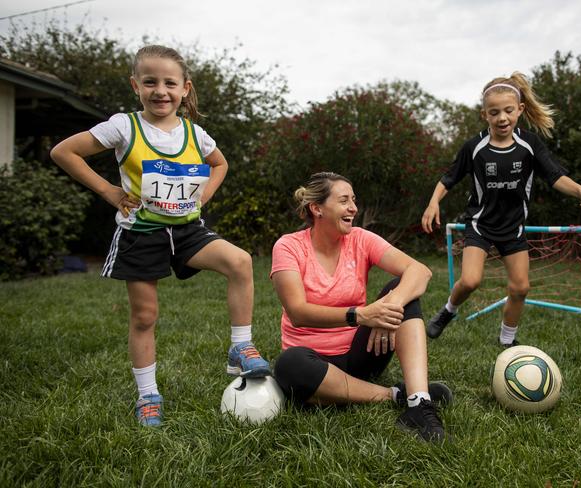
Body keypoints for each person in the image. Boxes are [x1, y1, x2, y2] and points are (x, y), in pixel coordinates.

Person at [50, 45, 271, 427]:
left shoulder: (194, 133)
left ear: (185, 88)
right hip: (142, 232)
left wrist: (205, 193)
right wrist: (110, 192)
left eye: (170, 83)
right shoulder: (124, 126)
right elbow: (64, 152)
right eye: (150, 82)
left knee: (239, 261)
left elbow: (219, 164)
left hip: (187, 230)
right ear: (136, 85)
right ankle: (148, 395)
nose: (160, 91)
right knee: (145, 316)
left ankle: (240, 346)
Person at [421, 72, 581, 347]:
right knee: (471, 281)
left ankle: (507, 339)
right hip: (480, 224)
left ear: (520, 110)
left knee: (521, 288)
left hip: (513, 227)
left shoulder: (529, 144)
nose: (502, 118)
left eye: (508, 110)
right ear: (484, 114)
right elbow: (448, 178)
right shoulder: (474, 147)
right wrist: (433, 202)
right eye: (494, 112)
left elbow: (555, 176)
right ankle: (448, 310)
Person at [271, 172, 452, 443]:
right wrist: (362, 315)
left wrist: (390, 305)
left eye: (353, 200)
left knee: (401, 288)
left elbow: (420, 271)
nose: (353, 208)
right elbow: (297, 312)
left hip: (363, 354)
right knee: (288, 365)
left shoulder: (360, 239)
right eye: (344, 200)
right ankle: (396, 395)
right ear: (317, 208)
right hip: (315, 364)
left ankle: (419, 403)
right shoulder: (288, 247)